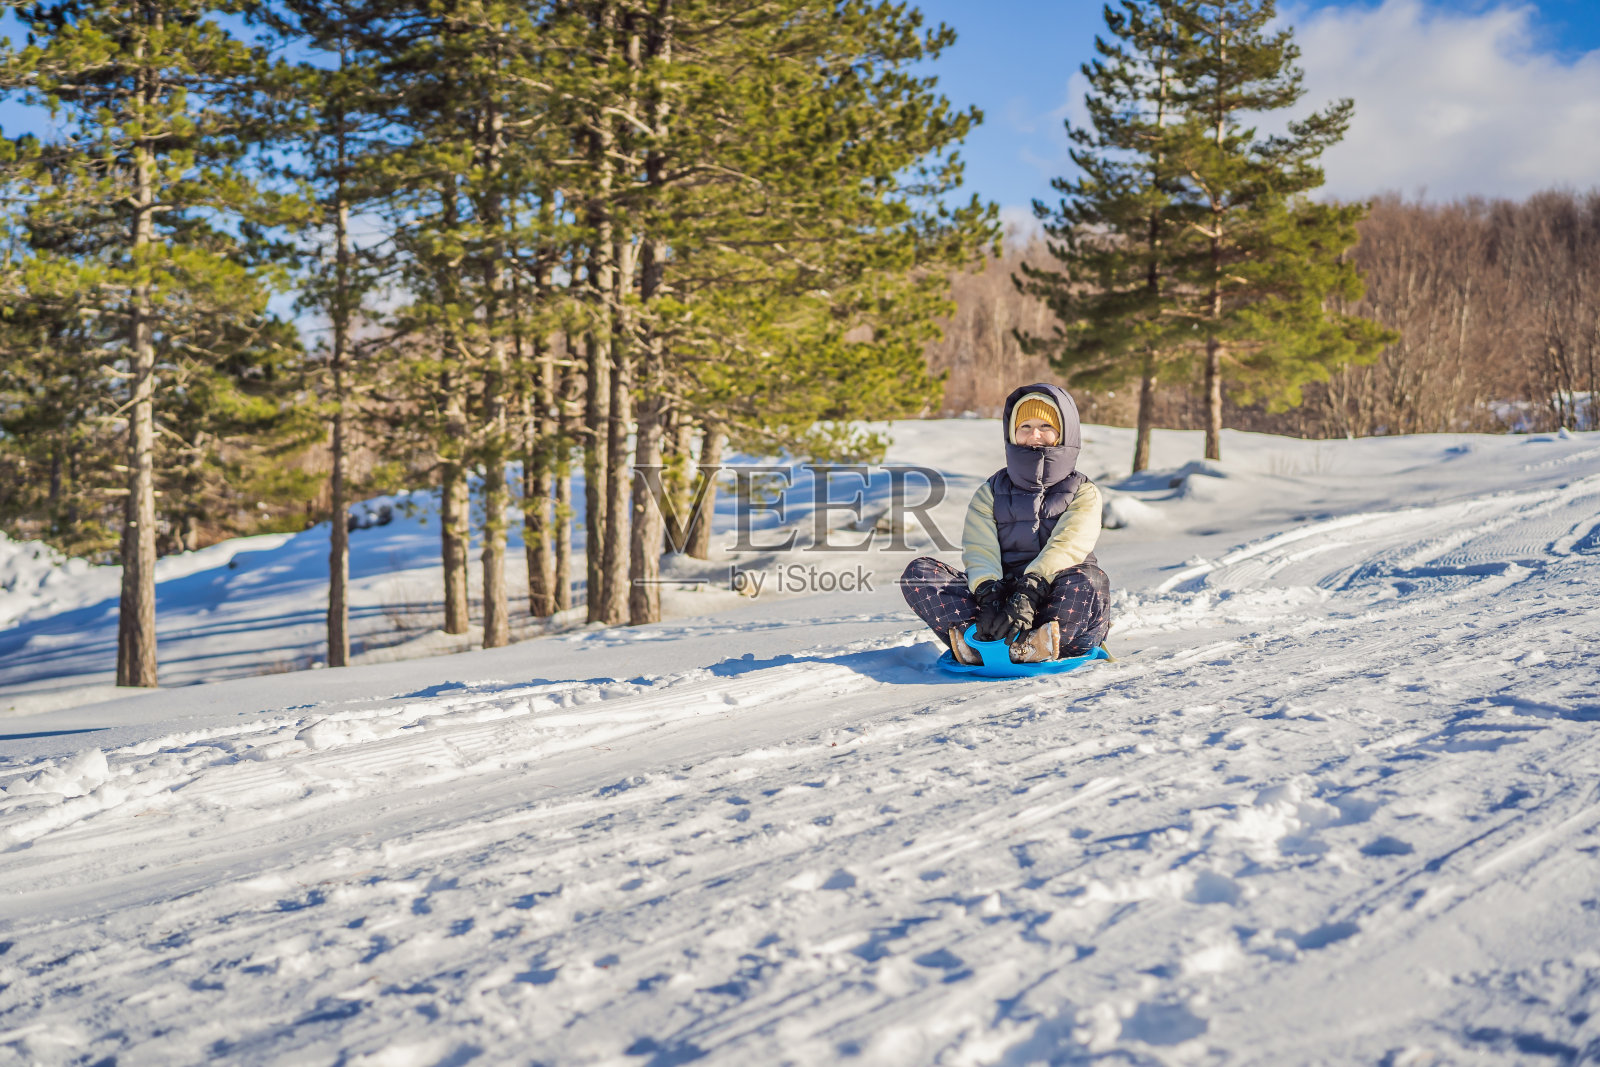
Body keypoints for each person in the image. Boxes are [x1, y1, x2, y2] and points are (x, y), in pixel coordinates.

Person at [900, 383, 1111, 664]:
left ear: (1065, 433)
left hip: (1057, 600)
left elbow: (1068, 547)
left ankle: (1038, 645)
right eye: (1024, 426)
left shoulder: (1083, 491)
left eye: (1045, 426)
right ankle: (977, 642)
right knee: (920, 574)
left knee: (1090, 580)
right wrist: (990, 595)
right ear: (1011, 433)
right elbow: (980, 550)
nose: (1034, 435)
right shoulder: (990, 491)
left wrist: (1030, 591)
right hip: (1003, 603)